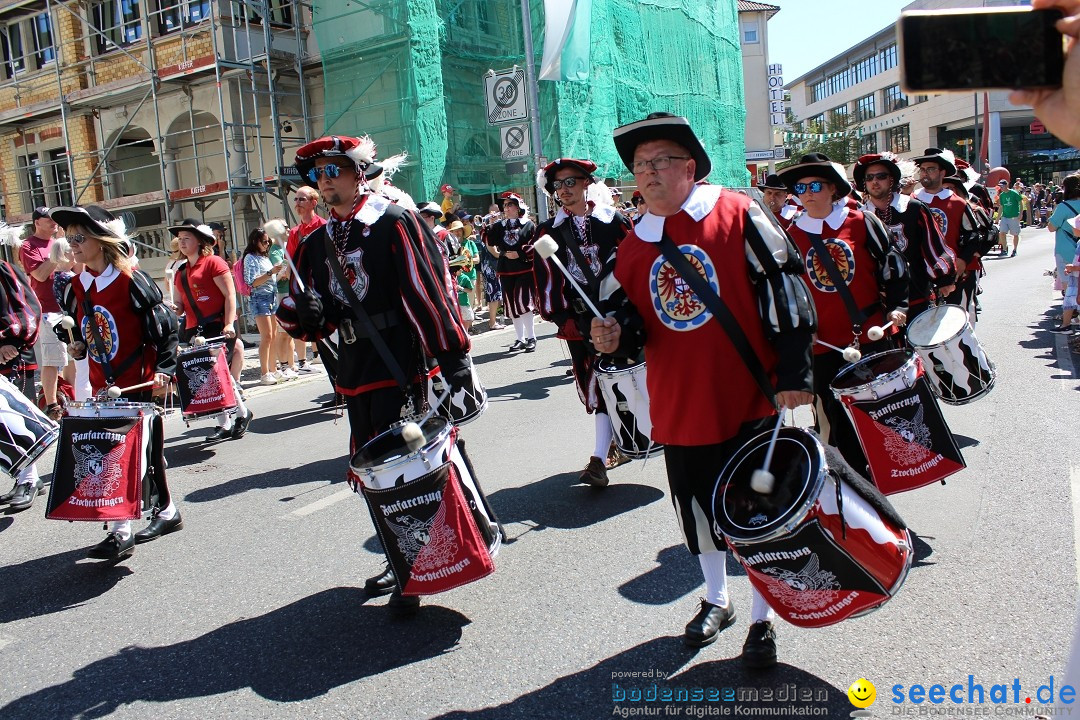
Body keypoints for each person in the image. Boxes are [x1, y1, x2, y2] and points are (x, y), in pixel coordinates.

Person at [591, 113, 816, 668]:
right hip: (680, 399)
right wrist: (611, 334)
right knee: (699, 510)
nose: (648, 173)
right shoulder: (633, 245)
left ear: (689, 168)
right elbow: (632, 324)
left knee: (759, 510)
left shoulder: (737, 212)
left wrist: (793, 373)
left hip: (748, 393)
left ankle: (763, 618)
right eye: (640, 166)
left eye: (660, 161)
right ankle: (718, 599)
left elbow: (784, 284)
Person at [277, 134, 472, 613]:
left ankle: (420, 565)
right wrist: (305, 312)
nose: (324, 181)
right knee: (371, 471)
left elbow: (429, 292)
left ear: (357, 172)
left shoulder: (393, 221)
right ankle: (397, 553)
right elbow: (310, 323)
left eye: (333, 171)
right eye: (317, 174)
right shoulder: (316, 241)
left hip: (397, 361)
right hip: (353, 367)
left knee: (406, 466)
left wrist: (453, 359)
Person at [52, 205, 182, 559]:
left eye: (79, 237)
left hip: (137, 383)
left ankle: (120, 530)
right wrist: (77, 345)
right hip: (102, 385)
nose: (72, 244)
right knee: (144, 453)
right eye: (68, 238)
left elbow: (167, 331)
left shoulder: (131, 280)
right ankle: (167, 512)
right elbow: (87, 335)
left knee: (125, 454)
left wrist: (166, 370)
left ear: (101, 240)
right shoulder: (77, 286)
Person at [780, 154, 908, 477]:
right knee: (836, 427)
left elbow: (893, 268)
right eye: (800, 186)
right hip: (822, 349)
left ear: (833, 189)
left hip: (870, 339)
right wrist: (799, 332)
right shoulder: (789, 237)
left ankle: (885, 485)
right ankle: (855, 492)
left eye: (815, 185)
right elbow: (787, 292)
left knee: (879, 418)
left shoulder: (862, 222)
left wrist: (898, 307)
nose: (808, 192)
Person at [532, 158, 633, 486]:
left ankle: (627, 440)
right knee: (597, 381)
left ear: (587, 183)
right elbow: (545, 279)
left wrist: (633, 311)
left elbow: (635, 265)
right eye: (558, 186)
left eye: (570, 182)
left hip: (619, 314)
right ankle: (599, 457)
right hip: (580, 319)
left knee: (627, 379)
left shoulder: (612, 221)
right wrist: (562, 318)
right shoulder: (549, 232)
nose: (564, 190)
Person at [169, 219, 253, 441]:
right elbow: (179, 306)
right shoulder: (181, 272)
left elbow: (230, 295)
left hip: (218, 324)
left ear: (199, 241)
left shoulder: (214, 262)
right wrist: (174, 308)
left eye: (187, 237)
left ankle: (237, 417)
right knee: (208, 376)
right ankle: (229, 421)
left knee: (219, 373)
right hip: (194, 329)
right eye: (180, 238)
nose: (182, 241)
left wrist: (228, 323)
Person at [855, 152, 956, 323]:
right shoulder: (859, 216)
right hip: (878, 298)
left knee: (918, 346)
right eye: (869, 177)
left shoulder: (912, 207)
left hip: (915, 291)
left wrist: (944, 278)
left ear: (891, 179)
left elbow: (933, 244)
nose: (874, 181)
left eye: (881, 176)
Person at [912, 148, 983, 322]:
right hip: (922, 275)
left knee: (956, 319)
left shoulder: (957, 203)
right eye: (922, 169)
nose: (925, 173)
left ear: (942, 172)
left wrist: (962, 260)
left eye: (931, 169)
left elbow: (973, 235)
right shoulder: (911, 202)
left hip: (953, 273)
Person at [0, 259, 43, 512]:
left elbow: (26, 308)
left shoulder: (3, 269)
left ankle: (29, 479)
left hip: (11, 354)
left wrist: (11, 342)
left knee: (17, 421)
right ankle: (24, 478)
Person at [19, 207, 66, 421]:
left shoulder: (61, 240)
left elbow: (75, 268)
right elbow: (39, 274)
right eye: (48, 219)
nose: (53, 222)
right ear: (37, 222)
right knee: (52, 359)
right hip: (47, 310)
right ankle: (52, 404)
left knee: (71, 358)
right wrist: (57, 254)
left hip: (67, 305)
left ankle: (69, 395)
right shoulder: (29, 246)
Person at [485, 192, 538, 352]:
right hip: (506, 269)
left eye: (509, 205)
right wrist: (490, 225)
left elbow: (535, 246)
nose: (505, 208)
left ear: (518, 207)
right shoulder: (500, 225)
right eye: (505, 205)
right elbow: (490, 241)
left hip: (524, 268)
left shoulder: (528, 225)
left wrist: (520, 254)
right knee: (512, 305)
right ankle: (520, 338)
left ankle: (531, 337)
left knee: (524, 303)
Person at [284, 188, 326, 377]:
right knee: (320, 340)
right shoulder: (294, 233)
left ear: (313, 203)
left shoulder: (324, 226)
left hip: (325, 288)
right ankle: (336, 388)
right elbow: (293, 263)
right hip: (306, 291)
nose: (298, 203)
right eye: (296, 199)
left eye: (302, 199)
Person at [241, 227, 283, 385]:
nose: (267, 245)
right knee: (266, 336)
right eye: (264, 242)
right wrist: (270, 273)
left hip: (271, 296)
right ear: (255, 241)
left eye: (268, 242)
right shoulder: (250, 258)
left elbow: (269, 277)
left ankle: (273, 369)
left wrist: (277, 272)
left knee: (273, 335)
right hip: (260, 298)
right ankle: (265, 372)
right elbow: (251, 281)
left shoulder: (264, 257)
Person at [1049, 175, 1080, 332]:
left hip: (1066, 249)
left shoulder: (1063, 207)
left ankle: (1070, 316)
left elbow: (1051, 227)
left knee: (1070, 286)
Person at [476, 214, 505, 331]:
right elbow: (494, 253)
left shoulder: (487, 235)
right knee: (493, 295)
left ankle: (494, 321)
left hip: (490, 268)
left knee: (495, 294)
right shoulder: (488, 236)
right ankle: (492, 323)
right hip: (491, 269)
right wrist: (506, 254)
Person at [995, 179, 1023, 256]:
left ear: (1006, 185)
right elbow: (1001, 207)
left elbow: (1020, 203)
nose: (1001, 187)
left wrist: (1020, 214)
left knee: (1015, 234)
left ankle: (1014, 250)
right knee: (1002, 233)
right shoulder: (1002, 195)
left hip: (1014, 216)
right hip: (1005, 216)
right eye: (1000, 186)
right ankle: (1004, 249)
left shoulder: (1014, 193)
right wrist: (998, 218)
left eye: (1002, 186)